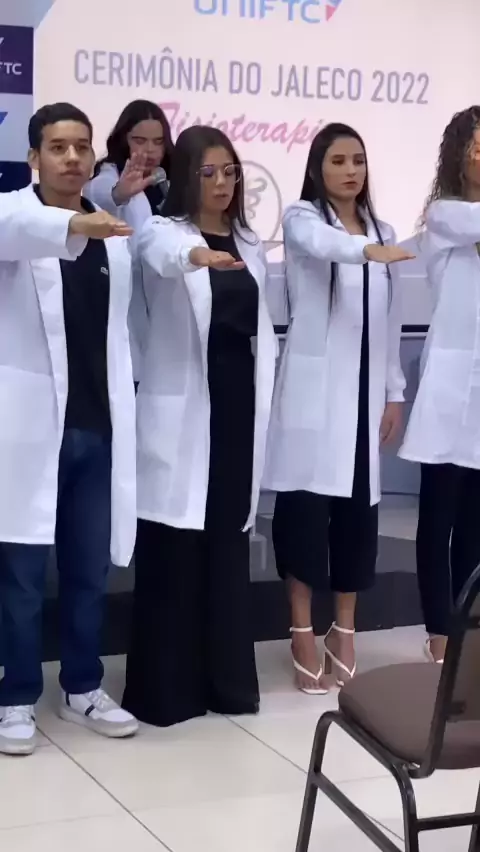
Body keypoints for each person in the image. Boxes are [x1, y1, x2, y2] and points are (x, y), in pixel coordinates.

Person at [122, 125, 277, 727]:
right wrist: (197, 256)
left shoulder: (249, 242)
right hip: (184, 410)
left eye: (230, 172)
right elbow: (161, 255)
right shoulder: (164, 231)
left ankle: (227, 683)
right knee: (177, 545)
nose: (222, 183)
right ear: (187, 176)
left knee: (225, 540)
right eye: (209, 173)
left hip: (235, 408)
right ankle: (168, 692)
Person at [0, 102, 139, 755]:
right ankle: (15, 696)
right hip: (32, 431)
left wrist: (93, 220)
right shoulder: (14, 215)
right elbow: (15, 227)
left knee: (87, 570)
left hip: (97, 427)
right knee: (23, 575)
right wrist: (76, 222)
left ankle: (83, 686)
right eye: (58, 147)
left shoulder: (112, 236)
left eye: (82, 146)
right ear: (34, 158)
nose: (73, 157)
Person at [263, 123, 414, 694]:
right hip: (313, 396)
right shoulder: (302, 219)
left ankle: (344, 630)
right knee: (304, 518)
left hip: (363, 397)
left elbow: (391, 321)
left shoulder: (385, 231)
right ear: (316, 169)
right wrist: (366, 251)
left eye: (358, 161)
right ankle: (301, 629)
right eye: (338, 161)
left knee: (355, 520)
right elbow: (328, 247)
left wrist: (394, 391)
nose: (351, 171)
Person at [400, 106, 480, 664]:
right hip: (448, 385)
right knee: (438, 517)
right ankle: (438, 629)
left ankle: (467, 630)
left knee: (475, 522)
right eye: (476, 145)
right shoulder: (444, 214)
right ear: (457, 154)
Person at [85, 100, 174, 380]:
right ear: (123, 139)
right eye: (139, 140)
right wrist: (119, 194)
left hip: (165, 301)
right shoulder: (108, 176)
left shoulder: (167, 182)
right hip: (128, 304)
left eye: (158, 142)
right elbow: (98, 197)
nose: (149, 150)